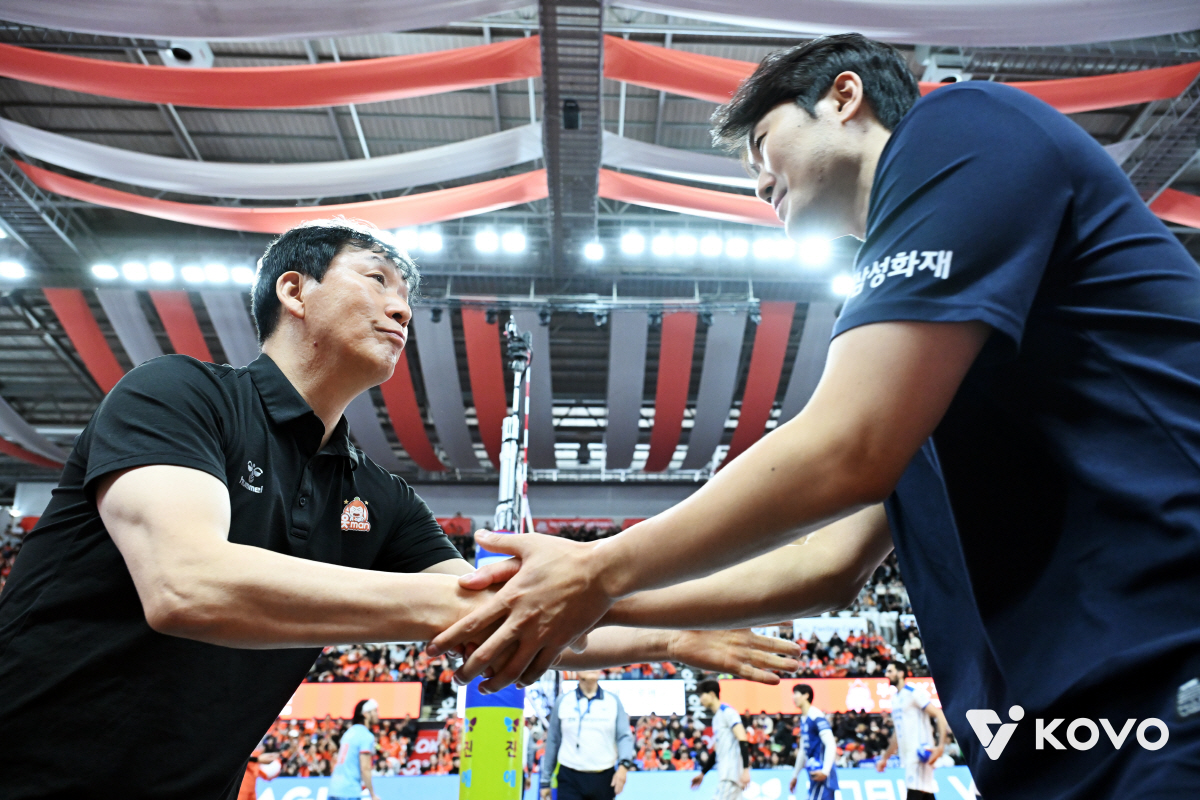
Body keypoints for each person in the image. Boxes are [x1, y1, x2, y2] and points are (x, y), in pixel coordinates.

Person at [435, 31, 1200, 800]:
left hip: (1167, 667)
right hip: (1068, 730)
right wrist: (585, 600)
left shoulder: (964, 126)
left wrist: (598, 568)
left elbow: (846, 451)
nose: (756, 181)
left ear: (844, 97)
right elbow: (822, 566)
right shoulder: (926, 349)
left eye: (763, 143)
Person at [0, 218, 799, 800]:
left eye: (408, 295)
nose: (403, 308)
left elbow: (505, 624)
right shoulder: (179, 394)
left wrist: (673, 639)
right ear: (295, 290)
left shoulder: (378, 498)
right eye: (377, 280)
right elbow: (187, 585)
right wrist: (459, 601)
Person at [540, 670, 635, 800]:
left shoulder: (613, 701)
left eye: (597, 664)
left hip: (604, 777)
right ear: (576, 670)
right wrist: (545, 781)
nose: (593, 668)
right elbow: (553, 741)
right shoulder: (563, 701)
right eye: (588, 663)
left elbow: (624, 737)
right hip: (569, 777)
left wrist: (623, 767)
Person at [876, 660, 948, 800]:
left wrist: (940, 746)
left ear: (901, 673)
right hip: (908, 754)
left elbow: (939, 714)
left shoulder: (914, 693)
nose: (887, 674)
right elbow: (897, 734)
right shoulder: (895, 699)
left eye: (890, 671)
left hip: (920, 752)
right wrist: (885, 758)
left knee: (914, 791)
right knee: (925, 792)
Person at [689, 679, 751, 800]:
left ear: (712, 694)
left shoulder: (728, 712)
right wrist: (703, 773)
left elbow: (742, 738)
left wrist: (745, 769)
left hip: (730, 773)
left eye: (702, 695)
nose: (700, 699)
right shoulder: (716, 718)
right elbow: (717, 750)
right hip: (727, 774)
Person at [789, 684, 837, 800]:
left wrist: (825, 771)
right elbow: (803, 750)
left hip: (823, 775)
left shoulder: (816, 716)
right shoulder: (804, 719)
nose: (793, 697)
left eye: (796, 694)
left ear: (806, 695)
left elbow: (831, 743)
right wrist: (795, 775)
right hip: (814, 774)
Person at [330, 699, 381, 800]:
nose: (377, 714)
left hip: (334, 789)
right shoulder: (365, 735)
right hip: (349, 791)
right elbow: (365, 768)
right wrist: (372, 794)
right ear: (366, 714)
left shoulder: (349, 733)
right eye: (375, 711)